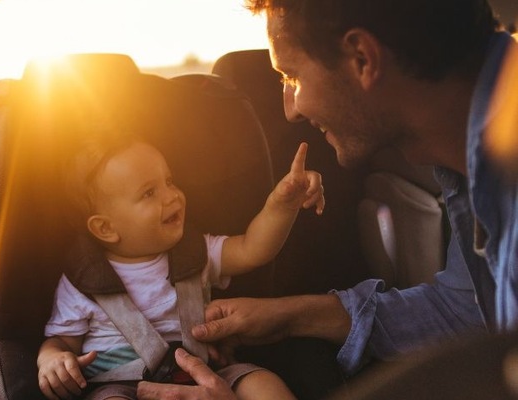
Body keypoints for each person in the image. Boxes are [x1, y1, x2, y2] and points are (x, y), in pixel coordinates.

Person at [136, 0, 518, 398]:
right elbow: (469, 312)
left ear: (362, 58)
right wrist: (289, 317)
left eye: (292, 76)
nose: (290, 110)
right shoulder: (475, 161)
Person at [37, 131, 324, 400]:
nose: (172, 195)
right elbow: (62, 341)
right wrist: (51, 358)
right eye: (149, 193)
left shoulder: (196, 253)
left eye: (169, 181)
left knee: (262, 383)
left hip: (203, 374)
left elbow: (252, 249)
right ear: (106, 228)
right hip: (121, 385)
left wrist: (281, 206)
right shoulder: (83, 280)